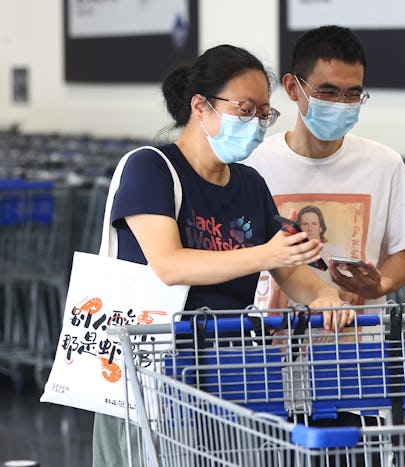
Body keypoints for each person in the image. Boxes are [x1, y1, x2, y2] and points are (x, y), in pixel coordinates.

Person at [92, 44, 351, 466]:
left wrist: (323, 296)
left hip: (231, 371)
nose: (255, 124)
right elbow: (170, 265)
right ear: (200, 105)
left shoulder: (249, 183)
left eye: (264, 114)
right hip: (153, 371)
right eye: (245, 109)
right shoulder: (152, 168)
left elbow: (287, 266)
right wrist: (265, 254)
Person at [244, 25, 405, 308]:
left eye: (353, 94)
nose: (342, 104)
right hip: (273, 340)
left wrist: (379, 285)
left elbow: (402, 254)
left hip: (359, 342)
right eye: (327, 92)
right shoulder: (253, 164)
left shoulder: (384, 164)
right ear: (293, 87)